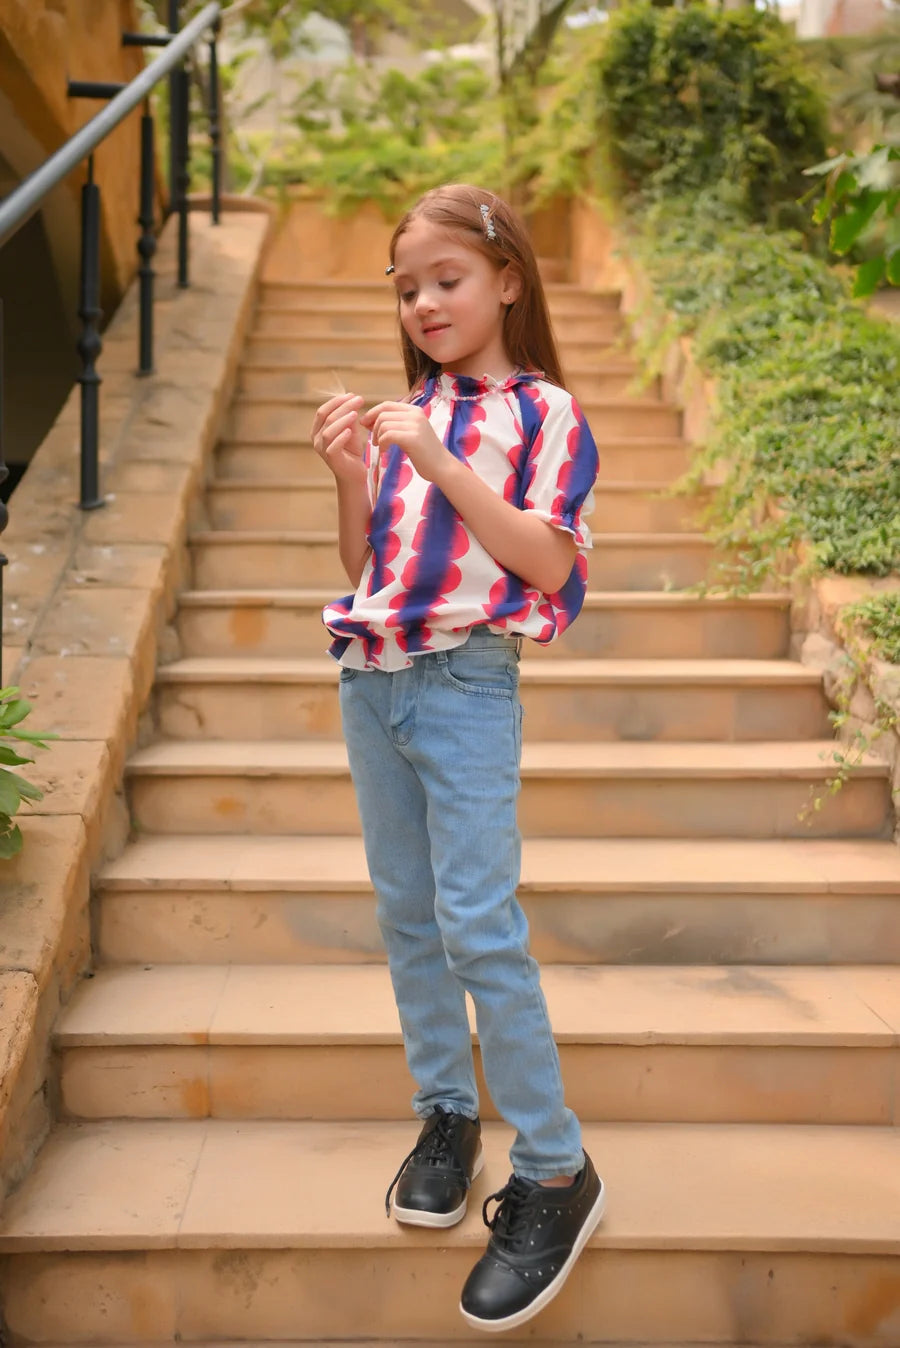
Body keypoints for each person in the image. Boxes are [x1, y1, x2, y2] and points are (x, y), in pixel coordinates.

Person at [311, 183, 604, 1334]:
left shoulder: (543, 413)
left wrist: (437, 457)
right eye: (407, 288)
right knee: (409, 913)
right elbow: (370, 564)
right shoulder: (409, 417)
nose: (425, 304)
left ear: (507, 281)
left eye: (448, 280)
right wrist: (355, 476)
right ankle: (447, 1114)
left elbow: (545, 561)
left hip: (467, 683)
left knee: (478, 918)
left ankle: (555, 1167)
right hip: (372, 677)